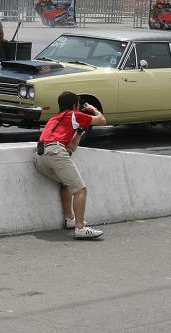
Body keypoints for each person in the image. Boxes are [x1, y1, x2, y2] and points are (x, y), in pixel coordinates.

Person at [34, 91, 107, 239]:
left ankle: (70, 220)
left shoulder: (54, 119)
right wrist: (93, 109)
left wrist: (79, 132)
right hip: (55, 153)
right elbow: (102, 120)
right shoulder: (74, 114)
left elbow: (71, 147)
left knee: (66, 183)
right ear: (75, 106)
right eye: (78, 105)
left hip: (40, 157)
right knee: (80, 190)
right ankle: (80, 228)